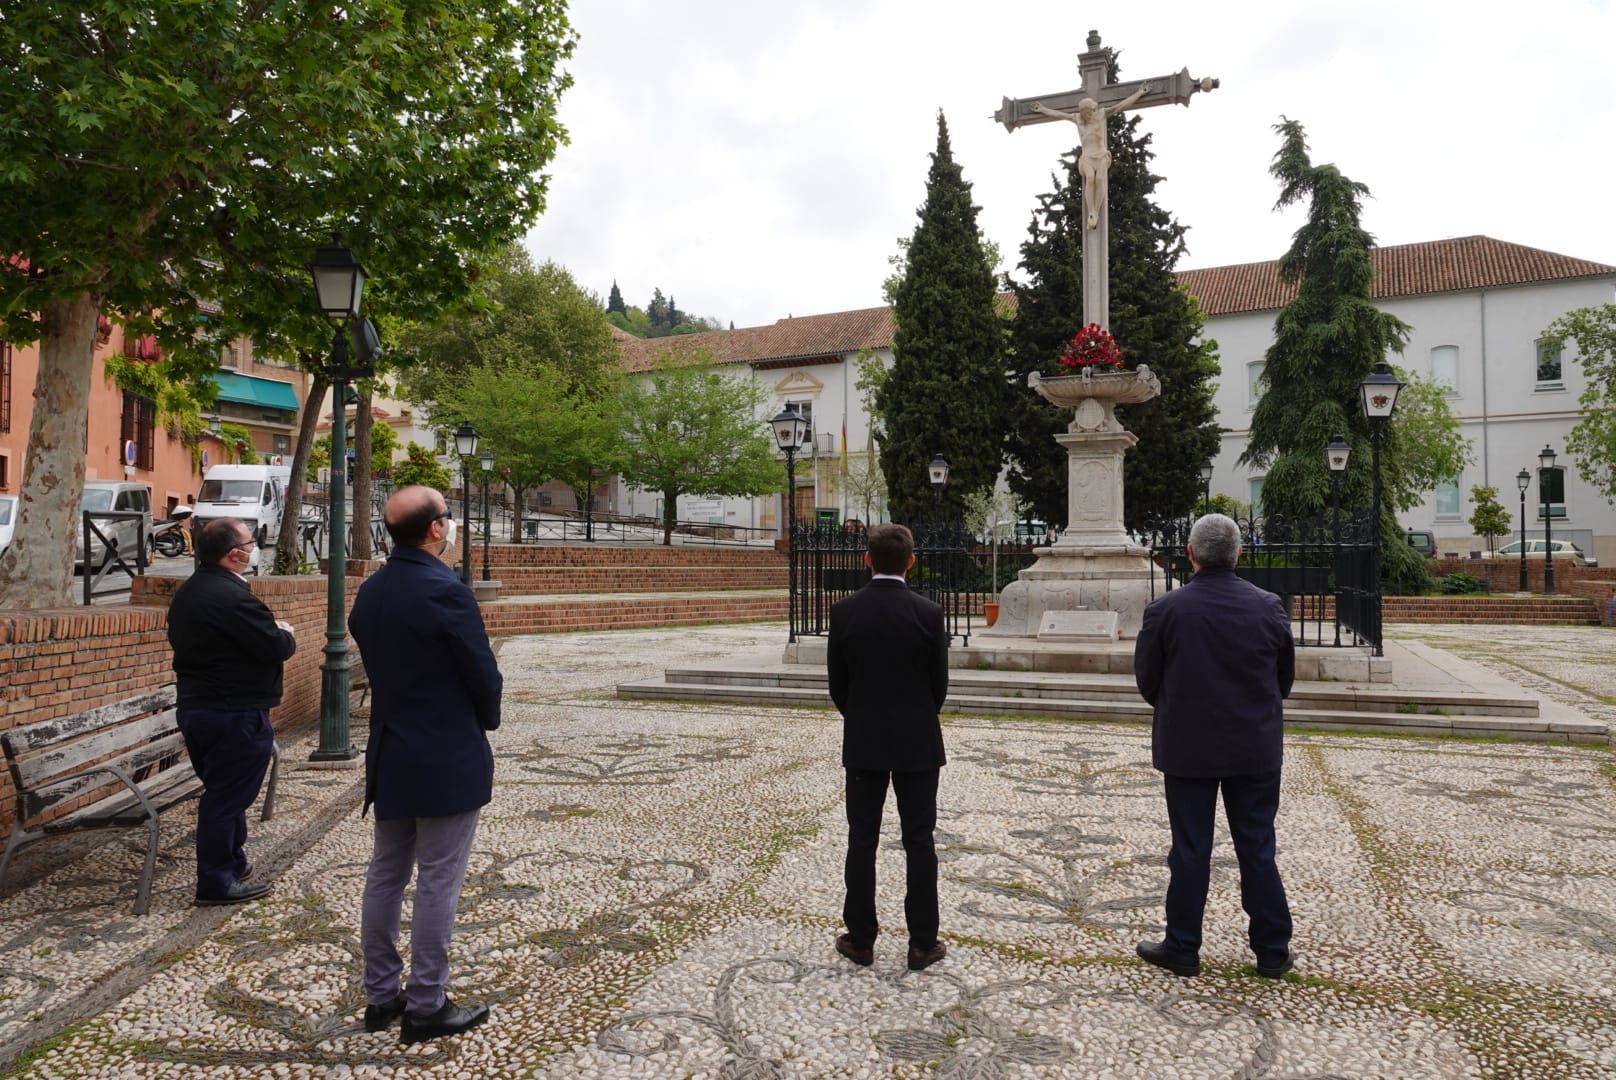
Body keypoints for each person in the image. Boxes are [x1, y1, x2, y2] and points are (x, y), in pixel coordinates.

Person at [349, 485, 502, 1045]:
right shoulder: (446, 591)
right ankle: (427, 1003)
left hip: (391, 749)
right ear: (436, 529)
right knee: (439, 877)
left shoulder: (371, 592)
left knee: (386, 872)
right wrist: (487, 718)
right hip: (443, 752)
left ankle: (381, 994)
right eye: (449, 517)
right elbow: (481, 672)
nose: (452, 525)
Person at [1132, 513, 1296, 979]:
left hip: (1189, 745)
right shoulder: (1268, 607)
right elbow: (1283, 679)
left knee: (1189, 849)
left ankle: (1183, 945)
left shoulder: (1166, 610)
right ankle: (1272, 949)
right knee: (1257, 846)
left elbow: (1148, 680)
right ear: (1239, 553)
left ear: (1190, 554)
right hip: (1253, 745)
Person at [827, 522, 950, 972]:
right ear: (911, 562)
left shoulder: (843, 612)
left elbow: (837, 686)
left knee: (862, 839)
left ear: (867, 559)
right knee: (919, 840)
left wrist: (862, 717)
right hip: (918, 741)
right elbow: (939, 686)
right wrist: (916, 716)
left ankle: (860, 938)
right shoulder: (929, 613)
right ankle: (922, 942)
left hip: (864, 740)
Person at [166, 517, 295, 906]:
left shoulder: (190, 592)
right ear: (234, 554)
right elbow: (274, 646)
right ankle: (216, 881)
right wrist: (284, 632)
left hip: (199, 708)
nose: (254, 547)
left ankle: (233, 862)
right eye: (250, 542)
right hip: (233, 712)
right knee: (225, 797)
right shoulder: (232, 597)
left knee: (226, 791)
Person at [1031, 83, 1149, 229]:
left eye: (1093, 110)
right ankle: (1091, 211)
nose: (1093, 112)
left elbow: (1121, 106)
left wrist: (1139, 94)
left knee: (1099, 179)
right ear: (1085, 112)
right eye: (1090, 111)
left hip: (1100, 156)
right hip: (1086, 157)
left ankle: (1095, 212)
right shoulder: (1077, 118)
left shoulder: (1101, 114)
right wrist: (1042, 109)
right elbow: (1059, 114)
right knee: (1090, 179)